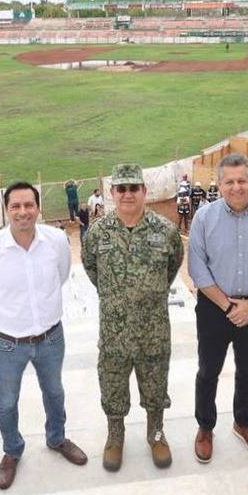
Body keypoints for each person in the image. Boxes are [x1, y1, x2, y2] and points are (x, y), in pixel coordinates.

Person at [0, 182, 88, 490]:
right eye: (15, 206)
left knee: (55, 393)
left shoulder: (56, 241)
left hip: (50, 337)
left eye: (29, 205)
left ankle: (57, 438)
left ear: (38, 208)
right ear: (7, 210)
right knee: (7, 402)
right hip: (8, 343)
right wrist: (11, 316)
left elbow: (61, 276)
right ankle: (12, 451)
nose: (23, 212)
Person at [82, 164, 184, 471]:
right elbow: (91, 269)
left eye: (133, 188)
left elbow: (172, 267)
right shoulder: (98, 232)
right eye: (121, 189)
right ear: (112, 193)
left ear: (144, 191)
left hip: (153, 330)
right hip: (114, 331)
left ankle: (156, 432)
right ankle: (116, 435)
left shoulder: (164, 230)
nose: (127, 194)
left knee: (155, 386)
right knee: (112, 385)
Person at [187, 154, 248, 463]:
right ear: (219, 184)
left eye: (242, 180)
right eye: (229, 181)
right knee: (208, 371)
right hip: (215, 308)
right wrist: (229, 306)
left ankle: (243, 424)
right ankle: (205, 426)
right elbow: (198, 270)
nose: (236, 187)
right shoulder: (203, 217)